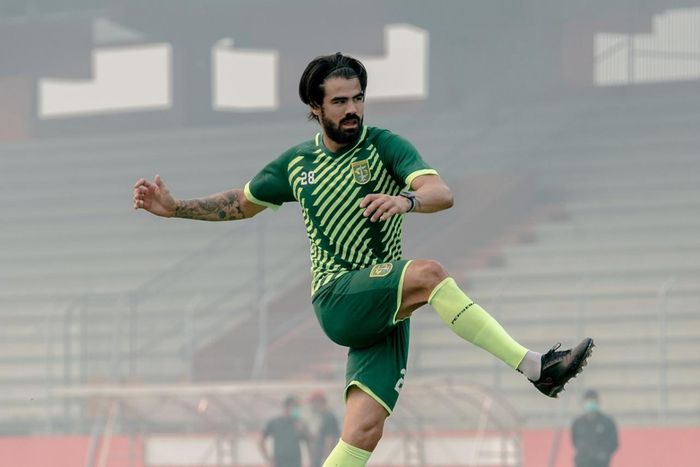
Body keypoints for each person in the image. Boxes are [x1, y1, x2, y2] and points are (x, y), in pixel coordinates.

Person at [133, 52, 594, 467]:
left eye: (358, 98)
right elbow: (242, 202)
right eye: (339, 101)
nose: (352, 109)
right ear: (315, 109)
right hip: (338, 296)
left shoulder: (386, 146)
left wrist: (407, 202)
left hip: (385, 307)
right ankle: (537, 368)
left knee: (363, 435)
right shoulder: (296, 165)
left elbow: (441, 193)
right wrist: (174, 209)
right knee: (429, 274)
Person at [571, 389, 619, 467]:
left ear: (598, 402)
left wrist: (604, 454)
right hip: (582, 462)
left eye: (593, 400)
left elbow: (614, 443)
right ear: (583, 402)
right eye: (588, 400)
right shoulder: (578, 422)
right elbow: (574, 440)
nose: (590, 403)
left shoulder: (607, 422)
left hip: (601, 463)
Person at [258, 395, 309, 467]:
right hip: (279, 463)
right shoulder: (275, 422)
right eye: (295, 406)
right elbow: (261, 440)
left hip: (295, 463)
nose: (297, 409)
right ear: (287, 407)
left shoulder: (299, 423)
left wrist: (303, 430)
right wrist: (268, 459)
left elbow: (309, 441)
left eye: (297, 407)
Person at [308, 391, 341, 467]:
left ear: (319, 402)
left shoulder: (328, 417)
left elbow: (330, 439)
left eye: (312, 403)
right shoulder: (322, 416)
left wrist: (327, 460)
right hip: (320, 457)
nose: (312, 406)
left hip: (324, 458)